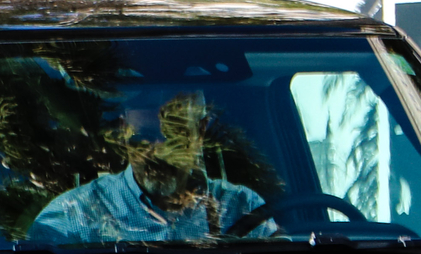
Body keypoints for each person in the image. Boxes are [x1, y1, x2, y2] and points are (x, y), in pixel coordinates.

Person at [30, 89, 277, 243]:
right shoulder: (73, 215)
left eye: (173, 135)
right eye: (144, 136)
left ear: (200, 130)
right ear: (123, 131)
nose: (157, 150)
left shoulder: (240, 207)